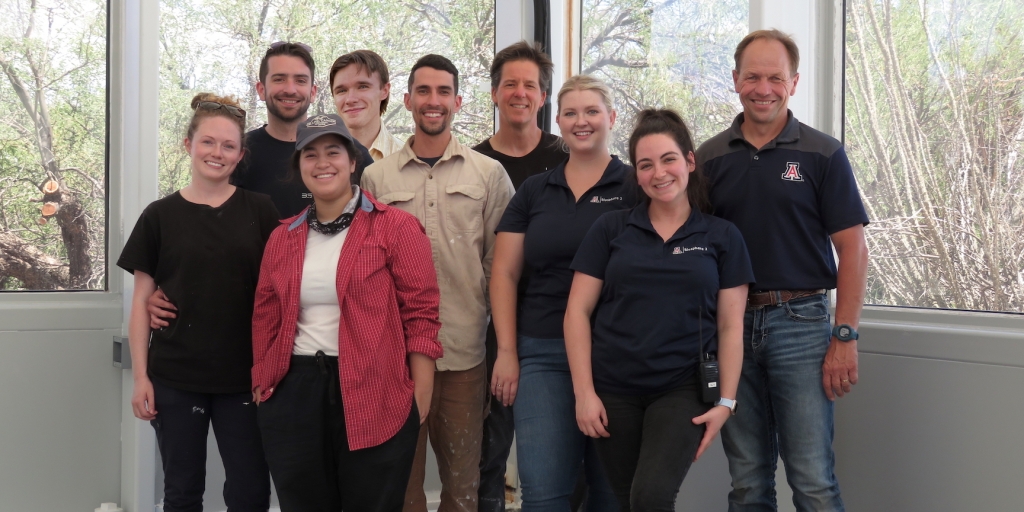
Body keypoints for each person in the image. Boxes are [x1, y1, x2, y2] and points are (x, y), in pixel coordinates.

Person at [696, 29, 869, 511]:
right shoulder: (708, 159)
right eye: (752, 76)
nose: (763, 88)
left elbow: (852, 249)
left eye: (775, 77)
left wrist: (846, 336)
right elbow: (696, 251)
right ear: (735, 80)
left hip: (804, 325)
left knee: (812, 480)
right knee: (748, 482)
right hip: (730, 328)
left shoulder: (823, 153)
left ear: (793, 82)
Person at [250, 113, 443, 512]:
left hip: (374, 386)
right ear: (299, 166)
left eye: (334, 152)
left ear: (353, 161)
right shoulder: (282, 237)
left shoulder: (396, 229)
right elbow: (265, 314)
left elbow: (421, 311)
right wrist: (263, 381)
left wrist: (420, 389)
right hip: (294, 391)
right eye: (311, 154)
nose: (323, 163)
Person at [565, 109, 753, 511]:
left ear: (689, 161)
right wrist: (584, 394)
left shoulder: (721, 236)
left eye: (668, 159)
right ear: (637, 174)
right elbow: (577, 313)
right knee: (626, 498)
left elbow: (730, 326)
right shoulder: (611, 229)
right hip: (612, 388)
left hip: (681, 387)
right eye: (645, 165)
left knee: (650, 497)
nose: (659, 173)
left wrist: (727, 403)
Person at [361, 54, 515, 512]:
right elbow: (366, 270)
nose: (434, 101)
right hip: (395, 359)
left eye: (443, 92)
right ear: (406, 100)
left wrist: (504, 347)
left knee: (463, 490)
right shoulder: (375, 176)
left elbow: (499, 268)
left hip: (464, 356)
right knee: (399, 490)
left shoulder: (488, 175)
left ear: (458, 101)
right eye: (424, 91)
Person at [119, 93, 278, 512]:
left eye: (228, 146)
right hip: (174, 378)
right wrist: (140, 378)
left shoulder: (261, 211)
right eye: (208, 142)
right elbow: (141, 303)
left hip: (245, 380)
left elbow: (280, 294)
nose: (217, 153)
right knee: (182, 492)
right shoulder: (159, 216)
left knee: (249, 493)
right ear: (188, 144)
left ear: (241, 155)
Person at [146, 42, 373, 329]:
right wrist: (166, 288)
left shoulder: (350, 155)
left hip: (336, 315)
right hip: (254, 315)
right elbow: (199, 224)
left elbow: (379, 229)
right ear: (261, 89)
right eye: (279, 79)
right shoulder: (237, 154)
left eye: (300, 80)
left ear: (313, 92)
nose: (290, 89)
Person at [489, 74, 627, 511]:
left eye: (592, 112)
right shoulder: (535, 190)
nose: (581, 122)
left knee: (612, 495)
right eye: (570, 113)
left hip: (617, 356)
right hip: (543, 352)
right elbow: (504, 274)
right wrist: (508, 352)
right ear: (558, 120)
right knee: (545, 493)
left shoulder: (636, 188)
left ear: (612, 118)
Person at [471, 40, 568, 512]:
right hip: (489, 325)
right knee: (489, 447)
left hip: (557, 322)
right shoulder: (473, 165)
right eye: (510, 83)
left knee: (558, 448)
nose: (520, 92)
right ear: (494, 93)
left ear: (543, 97)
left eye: (530, 85)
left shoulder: (570, 157)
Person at [329, 49, 405, 161]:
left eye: (362, 87)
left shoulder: (407, 160)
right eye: (341, 90)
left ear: (384, 91)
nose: (350, 99)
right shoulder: (314, 160)